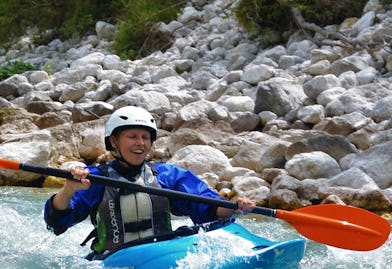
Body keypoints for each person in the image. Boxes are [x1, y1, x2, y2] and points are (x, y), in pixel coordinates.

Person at [43, 105, 256, 259]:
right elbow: (56, 223)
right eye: (132, 136)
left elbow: (207, 207)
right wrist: (68, 190)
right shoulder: (95, 179)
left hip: (162, 255)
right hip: (111, 262)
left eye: (145, 137)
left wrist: (234, 207)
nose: (141, 143)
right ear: (114, 141)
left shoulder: (166, 176)